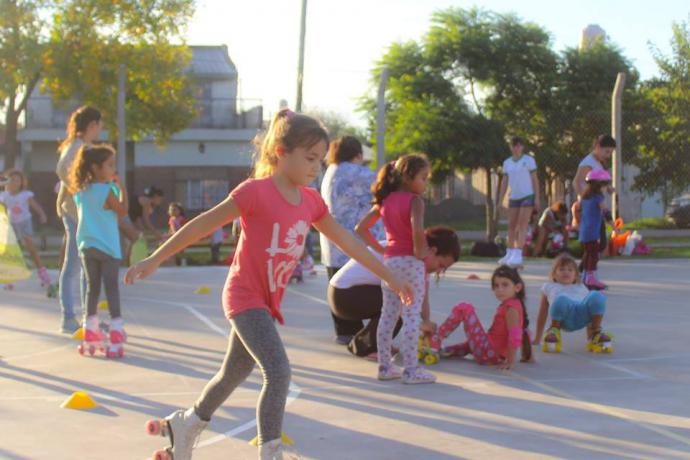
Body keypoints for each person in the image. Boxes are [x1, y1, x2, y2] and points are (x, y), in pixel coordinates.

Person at [124, 109, 413, 460]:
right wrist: (154, 258)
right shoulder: (255, 193)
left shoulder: (311, 201)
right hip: (244, 296)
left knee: (232, 374)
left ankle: (185, 424)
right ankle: (270, 452)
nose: (315, 168)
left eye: (320, 160)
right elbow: (201, 224)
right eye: (309, 158)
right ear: (280, 151)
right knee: (278, 372)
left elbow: (348, 242)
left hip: (267, 301)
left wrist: (391, 277)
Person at [356, 154, 436, 384]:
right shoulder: (415, 202)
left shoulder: (386, 200)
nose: (425, 183)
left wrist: (382, 250)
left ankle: (384, 367)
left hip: (390, 264)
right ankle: (411, 370)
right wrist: (421, 253)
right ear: (409, 177)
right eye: (423, 178)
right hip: (411, 262)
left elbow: (360, 229)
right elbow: (417, 231)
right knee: (411, 315)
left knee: (388, 315)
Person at [329, 226, 460, 358]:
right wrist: (419, 324)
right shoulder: (406, 255)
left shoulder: (419, 261)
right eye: (441, 265)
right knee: (398, 303)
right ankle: (365, 346)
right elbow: (408, 302)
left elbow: (422, 298)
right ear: (432, 251)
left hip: (345, 293)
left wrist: (426, 321)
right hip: (344, 296)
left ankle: (377, 342)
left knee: (401, 302)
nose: (439, 271)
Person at [320, 136, 382, 345]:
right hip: (356, 244)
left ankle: (344, 330)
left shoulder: (329, 172)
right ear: (357, 155)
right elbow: (383, 186)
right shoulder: (360, 173)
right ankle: (364, 335)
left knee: (336, 286)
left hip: (331, 243)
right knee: (359, 287)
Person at [69, 144, 128, 358]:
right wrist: (122, 189)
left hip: (86, 245)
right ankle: (115, 332)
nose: (113, 169)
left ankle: (90, 333)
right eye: (110, 165)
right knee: (111, 288)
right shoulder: (107, 191)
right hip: (108, 247)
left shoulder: (80, 192)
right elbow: (122, 212)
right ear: (95, 168)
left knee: (91, 289)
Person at [429, 265, 533, 370]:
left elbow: (515, 336)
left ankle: (436, 338)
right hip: (490, 351)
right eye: (496, 286)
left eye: (505, 285)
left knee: (464, 308)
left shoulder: (511, 308)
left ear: (517, 287)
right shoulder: (513, 304)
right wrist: (529, 355)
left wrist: (510, 362)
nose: (500, 289)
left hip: (489, 353)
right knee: (463, 347)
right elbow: (524, 329)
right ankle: (438, 350)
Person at [55, 105, 102, 333]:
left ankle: (88, 317)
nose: (100, 129)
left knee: (84, 266)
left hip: (80, 213)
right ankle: (68, 318)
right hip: (76, 214)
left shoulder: (78, 146)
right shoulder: (78, 147)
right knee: (75, 265)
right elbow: (63, 170)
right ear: (93, 125)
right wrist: (78, 191)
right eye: (99, 125)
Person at [533, 254, 612, 353]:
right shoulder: (549, 287)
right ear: (554, 274)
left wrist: (589, 337)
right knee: (561, 299)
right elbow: (543, 312)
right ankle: (554, 332)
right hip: (563, 318)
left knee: (597, 295)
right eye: (562, 269)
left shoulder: (581, 287)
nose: (566, 272)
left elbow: (590, 308)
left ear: (575, 275)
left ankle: (595, 333)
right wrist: (537, 338)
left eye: (570, 270)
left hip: (581, 316)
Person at [0, 170, 51, 291]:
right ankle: (9, 279)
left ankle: (42, 273)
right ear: (6, 182)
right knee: (9, 251)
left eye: (17, 180)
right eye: (11, 180)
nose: (14, 182)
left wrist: (42, 214)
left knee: (31, 248)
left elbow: (35, 206)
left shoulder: (26, 194)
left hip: (24, 223)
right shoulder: (4, 195)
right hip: (11, 224)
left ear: (22, 183)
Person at [496, 137, 541, 268]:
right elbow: (504, 182)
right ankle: (509, 252)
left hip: (527, 196)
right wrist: (500, 200)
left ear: (522, 147)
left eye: (519, 146)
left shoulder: (529, 160)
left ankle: (518, 254)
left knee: (522, 224)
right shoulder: (507, 163)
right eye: (514, 146)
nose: (516, 148)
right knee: (511, 225)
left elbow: (535, 180)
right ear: (510, 147)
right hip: (513, 197)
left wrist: (537, 198)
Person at [573, 135, 616, 256]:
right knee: (596, 240)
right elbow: (576, 182)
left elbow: (596, 181)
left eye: (610, 153)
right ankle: (587, 267)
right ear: (597, 147)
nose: (608, 155)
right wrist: (586, 199)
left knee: (598, 241)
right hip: (590, 207)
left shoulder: (598, 163)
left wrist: (607, 187)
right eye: (606, 151)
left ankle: (586, 266)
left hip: (597, 206)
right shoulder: (588, 163)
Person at [579, 169, 614, 290]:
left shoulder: (585, 197)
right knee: (593, 254)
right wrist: (613, 225)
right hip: (592, 231)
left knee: (589, 253)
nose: (606, 187)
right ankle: (590, 278)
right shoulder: (598, 197)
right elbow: (605, 211)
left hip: (585, 230)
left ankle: (584, 276)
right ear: (598, 185)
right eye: (605, 185)